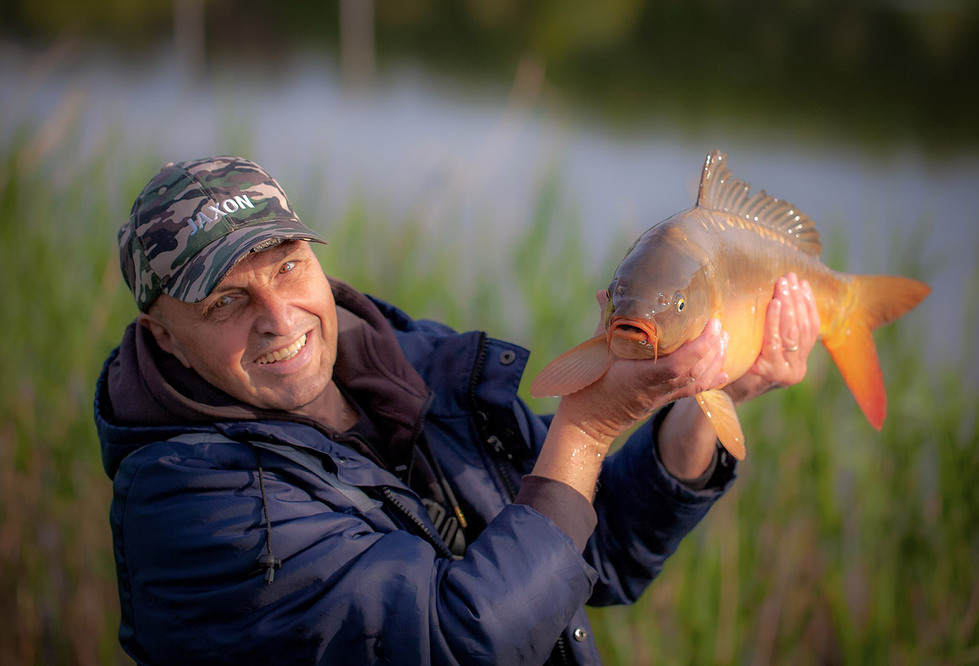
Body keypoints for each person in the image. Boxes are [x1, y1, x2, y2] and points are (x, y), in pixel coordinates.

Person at [94, 155, 820, 665]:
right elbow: (466, 644)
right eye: (226, 301)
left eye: (288, 265)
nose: (281, 319)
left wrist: (710, 396)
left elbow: (589, 551)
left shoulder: (412, 367)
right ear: (163, 336)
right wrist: (588, 425)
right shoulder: (191, 508)